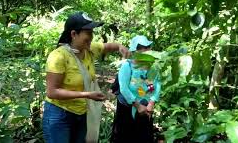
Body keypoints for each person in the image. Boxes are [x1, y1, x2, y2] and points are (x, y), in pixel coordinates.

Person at [42, 12, 130, 143]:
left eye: (92, 32)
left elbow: (109, 46)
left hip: (82, 113)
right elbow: (52, 92)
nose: (91, 36)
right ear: (73, 34)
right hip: (60, 115)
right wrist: (87, 94)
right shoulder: (59, 56)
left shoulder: (89, 49)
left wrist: (120, 47)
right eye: (88, 32)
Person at [111, 35, 161, 143]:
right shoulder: (127, 66)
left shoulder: (152, 67)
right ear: (135, 50)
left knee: (143, 136)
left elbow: (155, 84)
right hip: (128, 107)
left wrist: (151, 102)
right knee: (125, 136)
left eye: (148, 47)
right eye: (143, 47)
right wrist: (137, 105)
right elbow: (124, 88)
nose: (147, 50)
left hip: (145, 107)